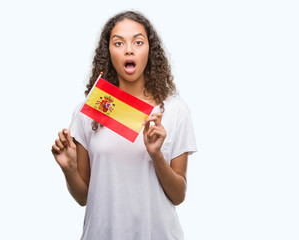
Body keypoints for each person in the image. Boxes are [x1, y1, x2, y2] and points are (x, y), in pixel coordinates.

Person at [51, 10, 197, 240]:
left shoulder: (174, 110)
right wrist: (69, 170)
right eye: (118, 43)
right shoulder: (89, 111)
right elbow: (83, 197)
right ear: (108, 52)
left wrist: (156, 155)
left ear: (150, 50)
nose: (129, 49)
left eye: (138, 42)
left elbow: (178, 195)